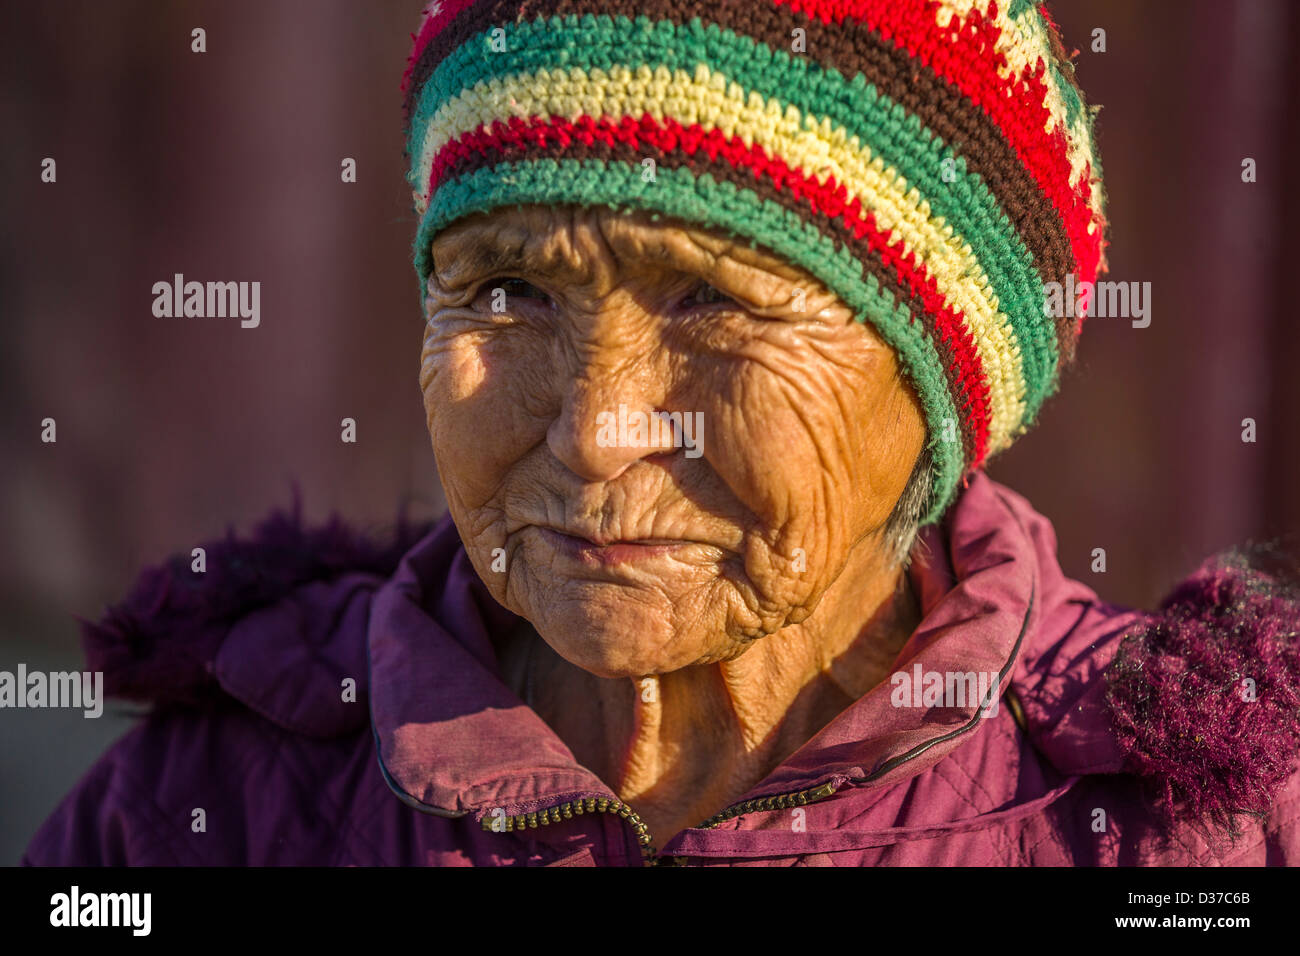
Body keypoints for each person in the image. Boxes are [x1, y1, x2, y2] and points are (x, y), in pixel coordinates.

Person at [24, 0, 1300, 866]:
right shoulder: (207, 811)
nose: (592, 436)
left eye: (716, 301)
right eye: (505, 293)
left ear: (946, 400)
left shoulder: (1196, 825)